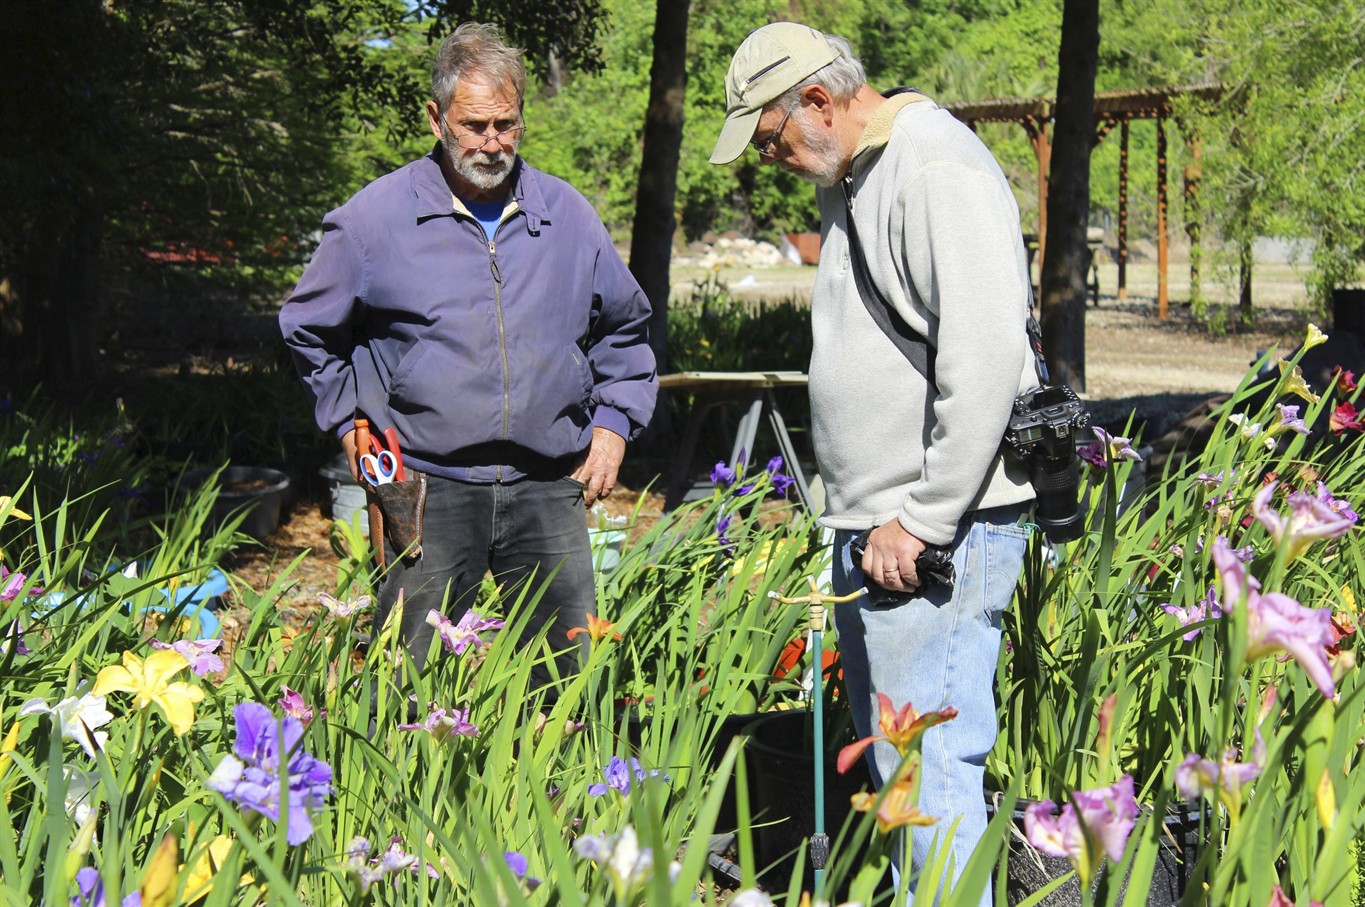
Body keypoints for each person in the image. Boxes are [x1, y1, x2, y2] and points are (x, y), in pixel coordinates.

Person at [710, 22, 1036, 899]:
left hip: (931, 531)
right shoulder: (858, 170)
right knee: (896, 766)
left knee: (925, 769)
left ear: (817, 101)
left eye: (771, 138)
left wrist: (922, 519)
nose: (770, 158)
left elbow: (985, 358)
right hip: (881, 525)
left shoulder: (934, 166)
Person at [280, 22, 657, 687]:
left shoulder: (565, 215)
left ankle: (562, 791)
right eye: (473, 124)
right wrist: (351, 423)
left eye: (505, 124)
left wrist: (613, 424)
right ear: (435, 118)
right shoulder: (375, 220)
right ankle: (405, 792)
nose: (490, 142)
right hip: (426, 484)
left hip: (549, 482)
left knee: (568, 678)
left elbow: (623, 328)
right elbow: (308, 326)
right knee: (405, 680)